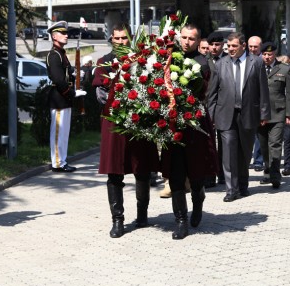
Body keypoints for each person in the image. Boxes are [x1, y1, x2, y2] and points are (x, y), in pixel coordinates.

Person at [92, 23, 159, 238]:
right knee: (114, 172)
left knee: (142, 169)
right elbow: (101, 94)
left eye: (124, 38)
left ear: (130, 39)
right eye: (117, 38)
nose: (121, 42)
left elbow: (152, 89)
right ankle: (118, 220)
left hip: (140, 123)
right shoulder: (104, 63)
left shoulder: (142, 60)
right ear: (111, 39)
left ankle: (142, 214)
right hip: (115, 124)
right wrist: (122, 104)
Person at [160, 23, 218, 239]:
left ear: (198, 40)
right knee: (175, 175)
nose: (186, 42)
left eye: (191, 38)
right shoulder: (171, 58)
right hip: (173, 125)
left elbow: (201, 90)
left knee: (195, 174)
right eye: (183, 37)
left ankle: (198, 202)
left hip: (194, 125)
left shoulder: (203, 63)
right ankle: (181, 221)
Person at [208, 32, 271, 202]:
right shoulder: (221, 64)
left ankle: (243, 185)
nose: (231, 49)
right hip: (225, 114)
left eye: (235, 46)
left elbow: (263, 90)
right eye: (229, 46)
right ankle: (231, 189)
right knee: (228, 152)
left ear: (243, 46)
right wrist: (211, 114)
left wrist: (264, 113)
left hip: (248, 114)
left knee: (244, 152)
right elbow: (212, 93)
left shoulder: (256, 62)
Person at [45, 21, 86, 173]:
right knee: (58, 132)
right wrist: (73, 93)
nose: (66, 35)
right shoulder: (54, 55)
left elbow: (66, 75)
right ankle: (57, 163)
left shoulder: (61, 53)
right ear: (54, 36)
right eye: (63, 33)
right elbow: (58, 80)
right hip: (58, 99)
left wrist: (75, 74)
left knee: (64, 133)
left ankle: (62, 160)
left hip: (64, 99)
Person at [257, 42, 290, 188]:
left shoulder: (284, 69)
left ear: (275, 54)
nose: (266, 57)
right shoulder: (256, 67)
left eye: (269, 54)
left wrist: (289, 114)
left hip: (278, 113)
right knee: (264, 146)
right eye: (264, 54)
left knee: (275, 145)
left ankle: (275, 175)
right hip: (260, 114)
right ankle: (267, 171)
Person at [204, 31, 227, 188]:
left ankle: (223, 175)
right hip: (206, 106)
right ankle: (210, 175)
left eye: (217, 45)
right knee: (209, 143)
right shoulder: (203, 61)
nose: (214, 47)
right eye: (211, 45)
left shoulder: (228, 61)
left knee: (224, 143)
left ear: (222, 45)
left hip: (223, 106)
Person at [248, 36, 265, 171]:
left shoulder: (263, 61)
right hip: (245, 104)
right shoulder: (243, 59)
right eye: (250, 46)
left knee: (259, 135)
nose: (253, 49)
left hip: (259, 103)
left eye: (256, 47)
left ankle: (258, 160)